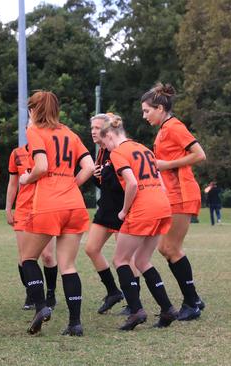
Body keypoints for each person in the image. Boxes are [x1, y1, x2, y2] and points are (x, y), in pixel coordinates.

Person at [19, 91, 94, 337]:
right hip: (74, 204)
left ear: (34, 111)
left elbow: (41, 167)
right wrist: (71, 184)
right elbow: (90, 167)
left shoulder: (35, 131)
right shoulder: (70, 133)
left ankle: (41, 306)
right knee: (68, 265)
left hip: (49, 204)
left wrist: (25, 178)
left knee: (28, 259)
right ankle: (75, 323)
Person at [100, 113, 179, 330]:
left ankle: (136, 311)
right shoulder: (144, 149)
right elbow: (161, 185)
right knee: (143, 260)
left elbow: (132, 184)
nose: (104, 147)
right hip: (162, 204)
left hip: (143, 206)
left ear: (109, 136)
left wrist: (124, 211)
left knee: (121, 259)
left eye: (103, 141)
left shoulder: (118, 153)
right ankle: (167, 308)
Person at [141, 82, 206, 321]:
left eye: (147, 110)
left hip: (182, 194)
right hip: (171, 195)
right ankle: (194, 298)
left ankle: (191, 303)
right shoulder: (164, 129)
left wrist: (166, 165)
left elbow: (200, 154)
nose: (144, 115)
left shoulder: (174, 127)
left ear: (160, 108)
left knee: (170, 248)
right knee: (165, 248)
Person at [6, 142, 58, 311]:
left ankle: (50, 292)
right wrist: (8, 208)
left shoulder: (50, 152)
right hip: (23, 209)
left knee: (48, 256)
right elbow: (13, 183)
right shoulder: (17, 153)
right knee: (24, 258)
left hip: (45, 208)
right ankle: (32, 292)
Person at [83, 114, 126, 315]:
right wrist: (98, 176)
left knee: (125, 258)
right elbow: (103, 182)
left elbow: (125, 183)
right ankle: (113, 291)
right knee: (91, 248)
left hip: (121, 210)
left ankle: (132, 301)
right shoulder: (101, 152)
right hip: (106, 208)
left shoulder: (118, 149)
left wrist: (105, 175)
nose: (93, 131)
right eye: (91, 127)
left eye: (97, 127)